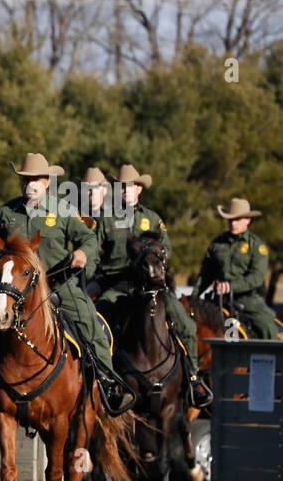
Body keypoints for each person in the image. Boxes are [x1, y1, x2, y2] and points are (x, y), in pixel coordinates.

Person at [0, 153, 135, 420]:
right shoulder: (5, 213)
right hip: (15, 289)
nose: (29, 184)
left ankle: (108, 385)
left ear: (47, 182)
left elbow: (89, 238)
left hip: (58, 286)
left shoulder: (63, 210)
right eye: (25, 180)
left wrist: (82, 251)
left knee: (92, 325)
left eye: (35, 179)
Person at [85, 164, 212, 408]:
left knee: (185, 323)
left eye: (130, 186)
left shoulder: (152, 219)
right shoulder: (105, 218)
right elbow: (91, 253)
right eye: (120, 186)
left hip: (151, 289)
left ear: (139, 189)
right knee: (99, 323)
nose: (125, 191)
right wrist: (94, 281)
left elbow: (167, 249)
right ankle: (108, 381)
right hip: (116, 286)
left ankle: (194, 380)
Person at [192, 198, 281, 341]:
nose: (233, 223)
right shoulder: (217, 244)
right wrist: (193, 297)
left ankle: (276, 360)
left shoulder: (257, 246)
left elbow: (256, 278)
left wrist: (231, 287)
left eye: (238, 219)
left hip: (248, 301)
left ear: (248, 220)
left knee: (267, 326)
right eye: (230, 220)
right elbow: (205, 275)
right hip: (218, 300)